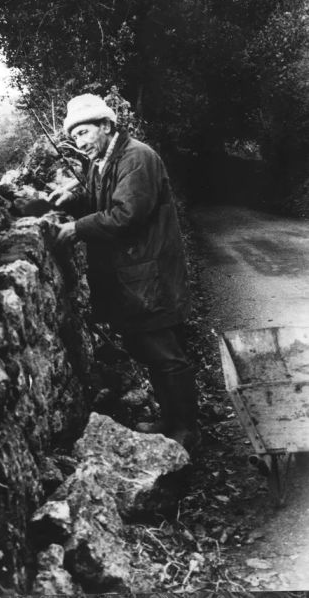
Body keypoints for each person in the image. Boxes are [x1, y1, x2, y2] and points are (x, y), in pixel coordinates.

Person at [48, 93, 200, 451]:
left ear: (106, 125)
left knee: (165, 354)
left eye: (85, 132)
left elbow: (127, 214)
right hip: (135, 276)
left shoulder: (136, 157)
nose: (80, 142)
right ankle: (171, 420)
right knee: (149, 349)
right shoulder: (104, 160)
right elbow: (104, 201)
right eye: (75, 136)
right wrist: (75, 201)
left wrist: (76, 229)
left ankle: (187, 430)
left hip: (151, 275)